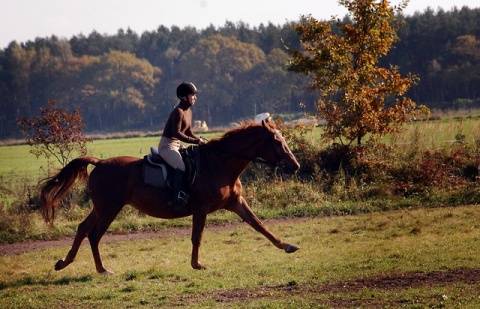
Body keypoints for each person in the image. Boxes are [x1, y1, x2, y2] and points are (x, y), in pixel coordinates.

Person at [158, 82, 206, 211]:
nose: (195, 98)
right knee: (181, 167)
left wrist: (199, 140)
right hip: (167, 146)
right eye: (193, 95)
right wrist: (196, 142)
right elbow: (177, 133)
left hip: (177, 145)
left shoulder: (188, 111)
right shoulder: (178, 112)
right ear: (184, 97)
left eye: (195, 95)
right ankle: (177, 197)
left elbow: (189, 131)